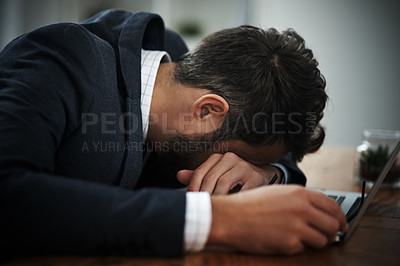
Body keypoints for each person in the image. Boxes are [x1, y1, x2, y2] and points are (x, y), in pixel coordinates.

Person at [0, 9, 347, 258]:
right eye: (239, 155)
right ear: (207, 111)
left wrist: (268, 172)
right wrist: (220, 220)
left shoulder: (178, 67)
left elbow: (282, 160)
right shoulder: (59, 57)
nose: (230, 164)